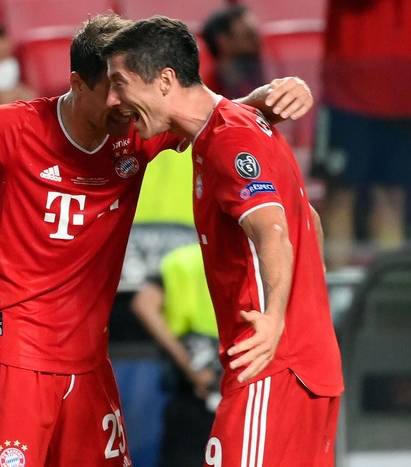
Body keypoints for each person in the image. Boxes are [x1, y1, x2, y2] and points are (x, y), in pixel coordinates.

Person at [0, 13, 314, 466]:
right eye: (110, 88)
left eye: (125, 85)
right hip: (14, 356)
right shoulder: (13, 129)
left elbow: (206, 114)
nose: (122, 101)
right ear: (76, 84)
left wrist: (273, 93)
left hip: (89, 360)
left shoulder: (135, 131)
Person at [103, 16, 343, 466]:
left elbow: (271, 228)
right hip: (303, 365)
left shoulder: (228, 141)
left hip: (270, 366)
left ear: (165, 80)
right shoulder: (234, 126)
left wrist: (273, 320)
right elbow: (304, 215)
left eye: (122, 83)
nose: (115, 100)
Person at [311, 0, 411, 270]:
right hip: (348, 96)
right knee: (341, 196)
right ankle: (339, 295)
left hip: (403, 101)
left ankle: (385, 294)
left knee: (392, 200)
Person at [131, 242, 220, 467]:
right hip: (236, 384)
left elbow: (144, 303)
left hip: (195, 382)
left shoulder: (180, 261)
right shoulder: (253, 253)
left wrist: (191, 367)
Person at [200, 4, 264, 100]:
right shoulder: (205, 94)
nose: (258, 42)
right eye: (249, 35)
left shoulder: (263, 79)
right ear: (223, 42)